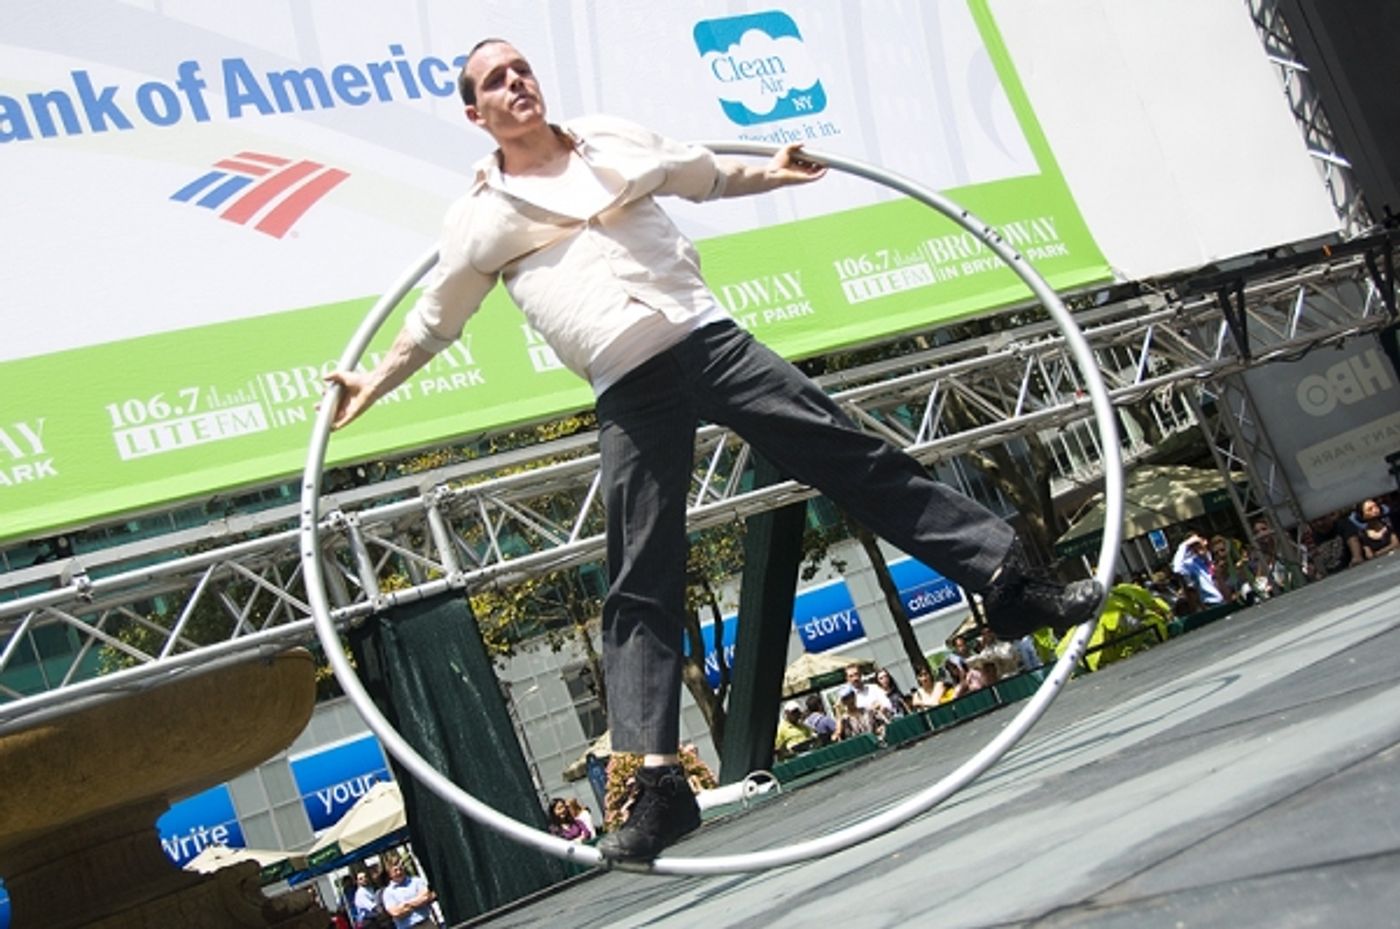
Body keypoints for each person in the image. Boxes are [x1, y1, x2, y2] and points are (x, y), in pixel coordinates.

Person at [324, 39, 1101, 862]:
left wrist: (778, 169)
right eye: (495, 82)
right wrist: (370, 383)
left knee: (852, 456)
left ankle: (1008, 580)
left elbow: (708, 173)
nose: (516, 84)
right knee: (639, 569)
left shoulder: (612, 140)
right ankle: (659, 786)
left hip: (708, 340)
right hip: (626, 383)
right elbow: (435, 321)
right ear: (475, 113)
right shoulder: (480, 218)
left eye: (521, 70)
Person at [380, 860, 438, 929]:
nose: (399, 872)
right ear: (389, 874)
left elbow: (425, 898)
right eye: (395, 871)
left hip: (426, 923)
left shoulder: (416, 881)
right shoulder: (388, 893)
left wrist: (406, 904)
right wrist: (417, 902)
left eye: (400, 869)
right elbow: (396, 913)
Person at [1172, 534, 1223, 608]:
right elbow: (1177, 569)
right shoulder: (1192, 564)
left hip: (1230, 598)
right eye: (1191, 546)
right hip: (1212, 604)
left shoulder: (1217, 554)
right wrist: (1183, 545)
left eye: (1197, 543)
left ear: (1205, 541)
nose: (1196, 547)